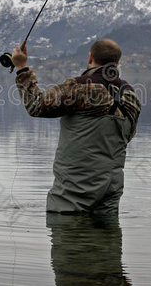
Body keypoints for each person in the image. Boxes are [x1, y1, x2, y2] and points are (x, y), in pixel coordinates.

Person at [12, 38, 141, 215]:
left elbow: (36, 105)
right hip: (111, 189)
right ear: (117, 63)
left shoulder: (79, 87)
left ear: (90, 58)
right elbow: (126, 136)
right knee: (107, 240)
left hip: (74, 190)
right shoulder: (130, 94)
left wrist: (22, 68)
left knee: (67, 237)